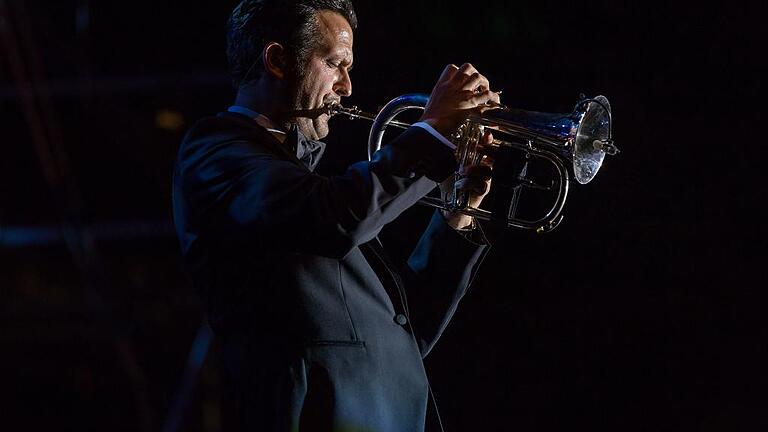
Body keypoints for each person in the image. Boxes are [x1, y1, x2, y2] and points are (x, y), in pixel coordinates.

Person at [172, 0, 501, 430]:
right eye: (335, 63)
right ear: (276, 60)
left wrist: (457, 212)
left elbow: (405, 332)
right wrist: (432, 132)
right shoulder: (217, 150)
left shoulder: (311, 183)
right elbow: (335, 218)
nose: (346, 86)